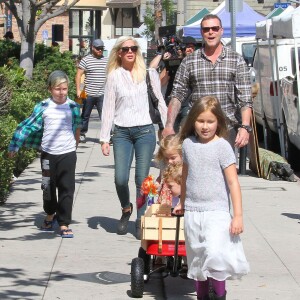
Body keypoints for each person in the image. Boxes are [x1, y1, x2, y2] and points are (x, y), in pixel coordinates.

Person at [173, 96, 250, 300]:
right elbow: (186, 176)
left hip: (217, 211)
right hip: (193, 211)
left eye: (210, 121)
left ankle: (220, 294)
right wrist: (182, 202)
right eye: (200, 121)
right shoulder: (188, 144)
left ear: (218, 122)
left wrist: (238, 215)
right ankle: (202, 296)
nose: (205, 126)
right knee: (197, 260)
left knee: (216, 255)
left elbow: (233, 183)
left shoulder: (222, 147)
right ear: (193, 122)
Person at [99, 36, 167, 238]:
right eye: (126, 49)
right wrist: (104, 138)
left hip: (145, 131)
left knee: (141, 179)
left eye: (134, 48)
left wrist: (168, 128)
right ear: (119, 53)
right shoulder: (113, 76)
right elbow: (108, 108)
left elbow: (160, 102)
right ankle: (126, 208)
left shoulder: (149, 74)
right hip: (122, 133)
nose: (130, 51)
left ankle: (140, 220)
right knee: (120, 178)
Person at [162, 14, 253, 150]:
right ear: (201, 32)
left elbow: (245, 98)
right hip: (197, 130)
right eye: (206, 29)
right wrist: (169, 125)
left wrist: (245, 127)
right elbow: (177, 96)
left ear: (221, 31)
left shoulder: (236, 60)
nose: (210, 32)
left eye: (215, 28)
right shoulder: (189, 61)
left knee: (226, 171)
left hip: (226, 129)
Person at [8, 71, 81, 238]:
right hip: (48, 155)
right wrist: (15, 146)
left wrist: (75, 144)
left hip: (68, 154)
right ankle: (50, 214)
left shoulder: (73, 106)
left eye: (65, 88)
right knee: (48, 188)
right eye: (57, 89)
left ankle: (64, 223)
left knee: (67, 189)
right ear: (50, 89)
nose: (62, 92)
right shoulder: (43, 107)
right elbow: (27, 126)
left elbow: (77, 126)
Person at [149, 36, 197, 133]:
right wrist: (161, 53)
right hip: (171, 102)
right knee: (168, 134)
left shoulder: (196, 63)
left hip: (188, 103)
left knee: (184, 132)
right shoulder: (173, 61)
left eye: (192, 47)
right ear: (182, 48)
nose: (190, 49)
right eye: (187, 46)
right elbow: (153, 71)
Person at [76, 39, 108, 143]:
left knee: (105, 116)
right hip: (88, 93)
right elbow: (79, 75)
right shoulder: (86, 60)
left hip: (102, 93)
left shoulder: (106, 60)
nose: (100, 51)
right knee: (85, 115)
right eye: (98, 49)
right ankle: (82, 133)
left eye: (101, 49)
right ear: (92, 48)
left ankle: (106, 135)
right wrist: (78, 90)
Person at [154, 134, 182, 206]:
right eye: (166, 158)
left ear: (182, 154)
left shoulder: (184, 166)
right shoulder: (164, 163)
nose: (169, 161)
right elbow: (161, 176)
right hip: (166, 196)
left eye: (173, 158)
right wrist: (157, 183)